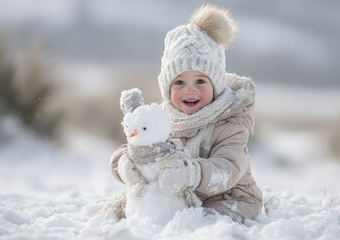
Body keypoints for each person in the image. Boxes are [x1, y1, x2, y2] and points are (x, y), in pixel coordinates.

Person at [110, 4, 262, 223]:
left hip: (230, 198)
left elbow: (228, 168)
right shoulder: (163, 118)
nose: (189, 90)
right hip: (181, 197)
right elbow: (138, 145)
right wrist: (124, 162)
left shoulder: (230, 121)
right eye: (179, 82)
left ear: (216, 85)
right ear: (167, 89)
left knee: (202, 221)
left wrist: (190, 174)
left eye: (200, 81)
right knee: (137, 210)